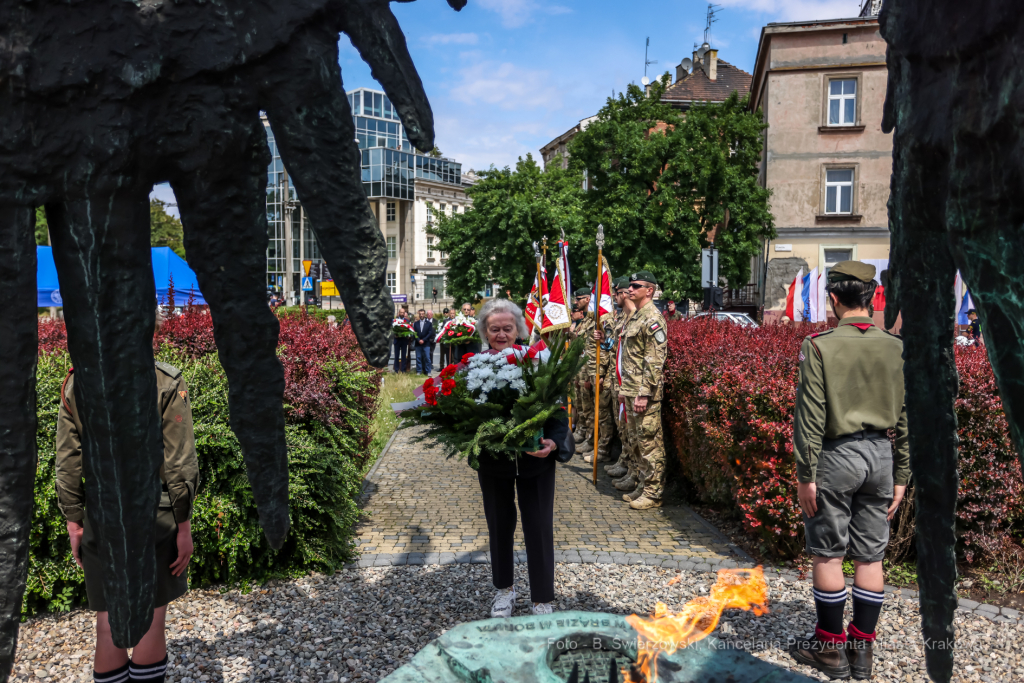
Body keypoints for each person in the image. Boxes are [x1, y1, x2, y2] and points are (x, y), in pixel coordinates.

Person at [788, 261, 909, 681]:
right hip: (881, 454)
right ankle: (862, 652)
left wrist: (806, 474)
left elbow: (810, 417)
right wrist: (902, 475)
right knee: (871, 555)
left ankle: (829, 649)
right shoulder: (894, 347)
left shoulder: (819, 345)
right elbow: (908, 416)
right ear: (872, 297)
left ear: (834, 299)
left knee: (828, 551)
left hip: (835, 457)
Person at [56, 344, 198, 683]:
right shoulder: (164, 380)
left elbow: (68, 462)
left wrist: (74, 521)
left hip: (102, 516)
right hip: (156, 515)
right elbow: (180, 464)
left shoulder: (77, 383)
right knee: (150, 621)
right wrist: (184, 526)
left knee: (107, 625)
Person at [473, 298, 574, 618]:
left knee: (539, 526)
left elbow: (558, 411)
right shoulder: (473, 367)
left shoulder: (539, 363)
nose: (501, 334)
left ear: (519, 329)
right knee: (499, 526)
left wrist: (555, 444)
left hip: (537, 462)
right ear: (484, 332)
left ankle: (542, 598)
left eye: (507, 328)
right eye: (494, 329)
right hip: (495, 463)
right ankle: (504, 591)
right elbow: (466, 421)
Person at [618, 271, 668, 510]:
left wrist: (644, 393)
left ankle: (653, 493)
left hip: (643, 393)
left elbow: (655, 360)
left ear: (650, 290)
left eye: (636, 285)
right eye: (629, 285)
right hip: (630, 390)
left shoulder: (653, 318)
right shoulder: (636, 316)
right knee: (636, 442)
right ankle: (642, 485)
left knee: (650, 444)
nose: (630, 289)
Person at [606, 278, 637, 486]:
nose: (613, 298)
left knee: (635, 434)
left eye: (615, 294)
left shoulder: (637, 318)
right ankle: (626, 463)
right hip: (620, 382)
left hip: (632, 386)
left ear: (623, 294)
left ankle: (635, 473)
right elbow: (616, 351)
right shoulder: (624, 319)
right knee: (623, 428)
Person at [570, 289, 594, 446]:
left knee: (590, 407)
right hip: (581, 370)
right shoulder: (584, 322)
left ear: (587, 299)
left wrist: (593, 374)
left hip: (589, 371)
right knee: (581, 405)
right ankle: (582, 431)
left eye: (578, 299)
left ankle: (592, 439)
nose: (576, 302)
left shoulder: (595, 320)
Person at [413, 308, 434, 375]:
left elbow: (429, 333)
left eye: (422, 314)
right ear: (419, 315)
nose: (421, 315)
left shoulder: (429, 323)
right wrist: (418, 340)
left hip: (426, 343)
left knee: (427, 358)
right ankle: (419, 370)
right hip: (418, 344)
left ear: (424, 314)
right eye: (420, 314)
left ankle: (428, 371)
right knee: (418, 357)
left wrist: (423, 340)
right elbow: (414, 333)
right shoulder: (415, 324)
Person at [393, 306, 411, 373]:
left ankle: (403, 369)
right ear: (399, 313)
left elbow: (410, 331)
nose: (402, 314)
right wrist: (395, 335)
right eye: (401, 312)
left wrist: (407, 335)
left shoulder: (407, 321)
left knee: (404, 356)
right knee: (396, 355)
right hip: (397, 340)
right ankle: (396, 370)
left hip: (404, 340)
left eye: (403, 312)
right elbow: (392, 330)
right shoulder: (394, 321)